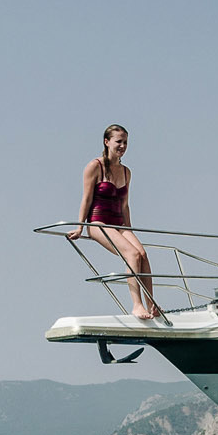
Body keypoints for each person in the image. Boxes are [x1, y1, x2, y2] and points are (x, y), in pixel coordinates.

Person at [73, 124, 161, 320]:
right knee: (132, 254)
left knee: (142, 254)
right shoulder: (95, 166)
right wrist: (80, 227)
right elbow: (86, 198)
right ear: (107, 142)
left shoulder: (126, 172)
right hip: (98, 223)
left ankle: (151, 304)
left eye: (126, 142)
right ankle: (137, 305)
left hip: (118, 223)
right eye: (118, 142)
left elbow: (125, 205)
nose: (123, 146)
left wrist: (129, 230)